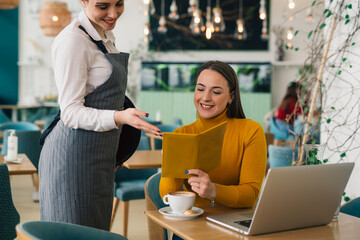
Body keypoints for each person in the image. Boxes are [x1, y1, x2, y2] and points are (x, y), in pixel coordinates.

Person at [38, 0, 161, 231]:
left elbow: (105, 99)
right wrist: (121, 117)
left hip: (97, 154)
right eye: (103, 6)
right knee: (75, 231)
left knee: (96, 229)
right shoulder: (73, 41)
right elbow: (71, 113)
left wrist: (114, 150)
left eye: (119, 4)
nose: (113, 13)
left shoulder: (104, 37)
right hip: (72, 156)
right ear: (83, 1)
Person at [159, 61, 267, 211]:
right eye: (200, 89)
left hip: (234, 223)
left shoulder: (251, 131)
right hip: (192, 223)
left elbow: (251, 196)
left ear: (231, 97)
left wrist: (213, 191)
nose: (205, 98)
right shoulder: (181, 134)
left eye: (216, 92)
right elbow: (168, 196)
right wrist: (169, 165)